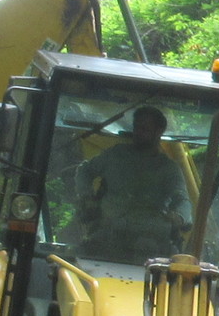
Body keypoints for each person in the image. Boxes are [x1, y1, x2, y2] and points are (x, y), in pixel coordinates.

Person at [75, 105, 191, 262]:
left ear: (159, 131)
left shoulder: (168, 168)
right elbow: (84, 171)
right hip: (107, 237)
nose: (138, 133)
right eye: (136, 127)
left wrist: (179, 218)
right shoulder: (115, 155)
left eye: (144, 129)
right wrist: (87, 197)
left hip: (151, 244)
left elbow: (182, 199)